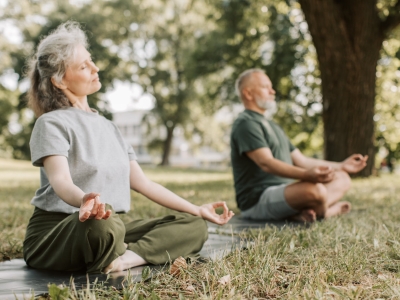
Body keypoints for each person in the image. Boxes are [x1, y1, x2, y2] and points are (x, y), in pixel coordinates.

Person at [23, 21, 234, 274]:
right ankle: (113, 251)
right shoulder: (51, 123)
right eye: (83, 66)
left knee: (193, 225)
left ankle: (123, 260)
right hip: (59, 233)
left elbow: (145, 184)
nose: (95, 68)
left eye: (91, 61)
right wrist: (84, 200)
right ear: (59, 81)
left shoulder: (110, 127)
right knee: (103, 223)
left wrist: (197, 209)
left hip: (110, 225)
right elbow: (60, 181)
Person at [230, 68, 368, 222]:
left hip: (288, 193)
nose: (272, 91)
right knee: (316, 190)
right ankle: (326, 212)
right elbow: (267, 163)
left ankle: (303, 212)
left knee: (342, 178)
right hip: (257, 199)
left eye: (271, 87)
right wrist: (306, 175)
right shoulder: (246, 124)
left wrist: (341, 166)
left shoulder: (273, 126)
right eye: (265, 87)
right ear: (248, 94)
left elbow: (302, 161)